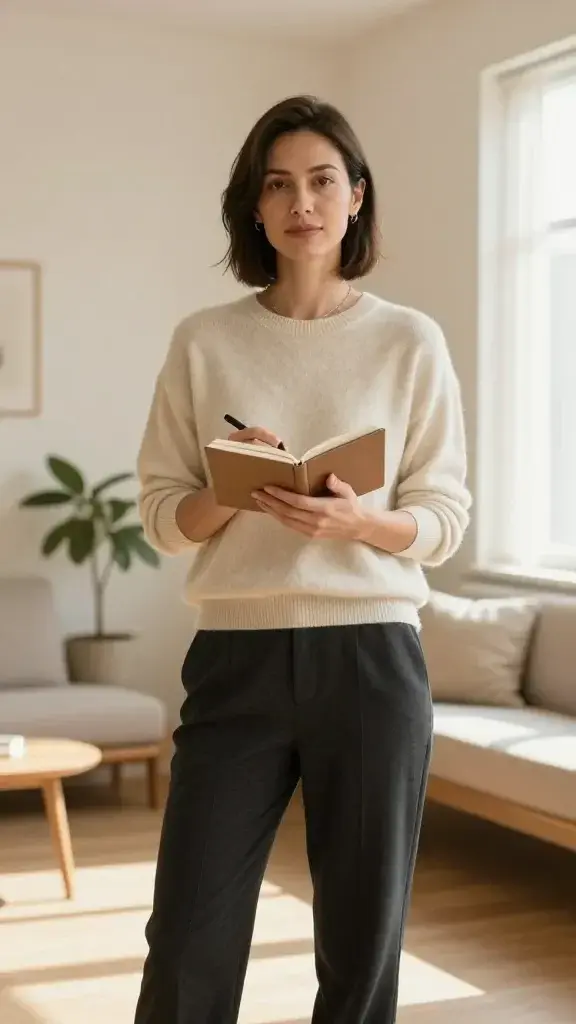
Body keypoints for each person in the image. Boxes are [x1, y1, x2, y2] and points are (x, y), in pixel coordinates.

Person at [133, 94, 471, 1024]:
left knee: (364, 936)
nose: (302, 202)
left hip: (371, 658)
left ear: (356, 198)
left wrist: (362, 524)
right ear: (254, 206)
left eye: (323, 181)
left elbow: (444, 517)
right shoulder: (204, 341)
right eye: (277, 184)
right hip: (238, 656)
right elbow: (164, 516)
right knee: (189, 928)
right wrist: (228, 493)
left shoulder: (411, 341)